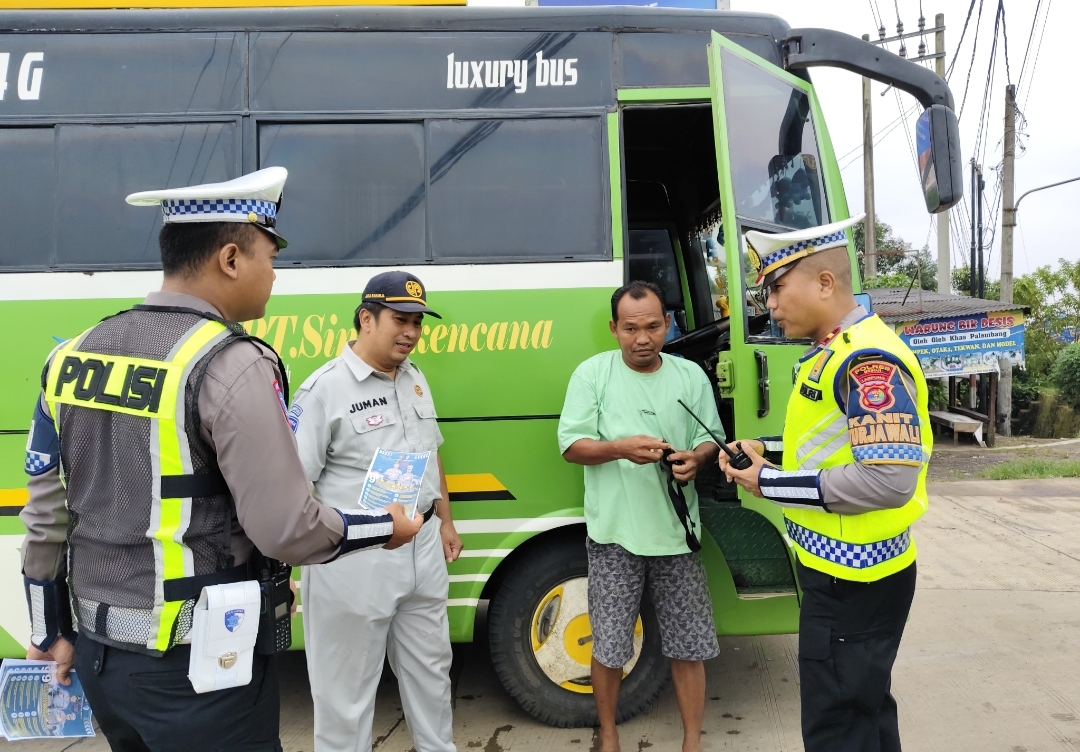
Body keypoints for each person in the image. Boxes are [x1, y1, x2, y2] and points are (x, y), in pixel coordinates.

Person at [19, 168, 424, 752]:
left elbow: (44, 518)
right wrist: (386, 527)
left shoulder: (71, 355)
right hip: (202, 670)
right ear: (231, 258)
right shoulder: (232, 363)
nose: (275, 274)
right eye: (270, 256)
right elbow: (286, 529)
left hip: (100, 661)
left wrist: (47, 630)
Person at [718, 215, 932, 752]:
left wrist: (769, 482)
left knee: (838, 727)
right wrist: (765, 450)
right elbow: (833, 441)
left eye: (776, 287)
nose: (769, 304)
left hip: (853, 582)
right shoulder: (836, 350)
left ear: (824, 282)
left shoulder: (867, 360)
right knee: (863, 714)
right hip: (844, 574)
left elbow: (887, 480)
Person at [291, 271, 463, 752]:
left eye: (417, 323)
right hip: (356, 556)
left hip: (422, 548)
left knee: (433, 673)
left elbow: (430, 452)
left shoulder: (414, 378)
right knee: (345, 692)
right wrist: (289, 564)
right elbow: (294, 487)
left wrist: (446, 521)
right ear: (366, 319)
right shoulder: (324, 390)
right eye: (399, 320)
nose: (411, 332)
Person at [558, 280, 722, 752]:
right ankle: (609, 735)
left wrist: (696, 459)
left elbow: (710, 438)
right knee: (609, 646)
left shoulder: (690, 375)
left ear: (668, 324)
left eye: (652, 326)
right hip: (614, 536)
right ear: (614, 328)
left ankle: (692, 742)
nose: (643, 338)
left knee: (689, 647)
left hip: (677, 534)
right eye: (631, 329)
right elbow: (571, 446)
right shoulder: (592, 374)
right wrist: (620, 448)